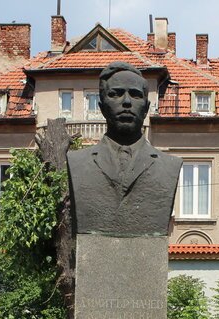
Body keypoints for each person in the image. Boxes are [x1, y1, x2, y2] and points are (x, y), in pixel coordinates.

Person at [67, 62, 182, 237]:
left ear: (146, 108)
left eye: (135, 95)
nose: (126, 102)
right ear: (101, 107)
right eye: (116, 94)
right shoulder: (78, 163)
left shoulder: (169, 166)